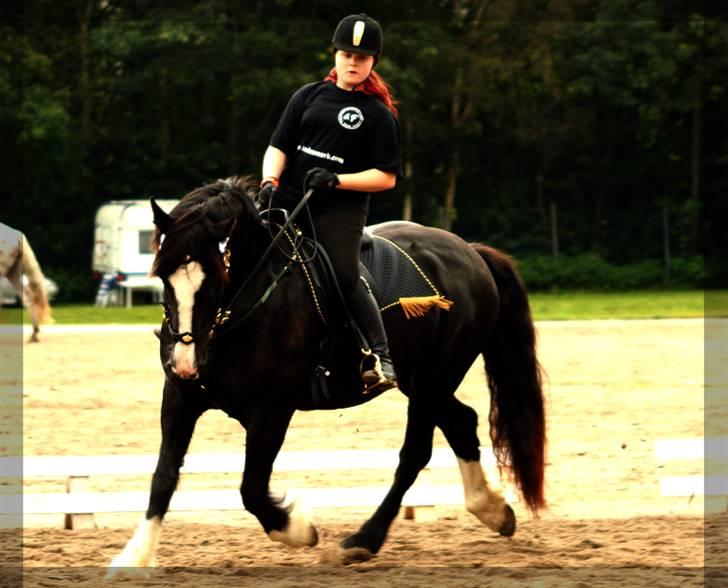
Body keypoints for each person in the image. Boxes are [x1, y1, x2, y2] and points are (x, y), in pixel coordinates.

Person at [258, 13, 400, 393]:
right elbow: (278, 146)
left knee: (343, 274)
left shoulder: (378, 114)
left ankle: (381, 357)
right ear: (335, 55)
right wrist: (269, 181)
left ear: (374, 63)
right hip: (288, 199)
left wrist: (338, 180)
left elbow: (386, 176)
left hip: (340, 210)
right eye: (347, 54)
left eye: (362, 57)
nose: (353, 62)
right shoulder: (306, 96)